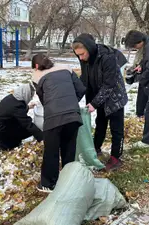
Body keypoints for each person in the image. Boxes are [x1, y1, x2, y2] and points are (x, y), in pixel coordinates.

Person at [72, 33, 128, 171]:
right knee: (100, 123)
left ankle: (116, 157)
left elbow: (109, 84)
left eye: (82, 54)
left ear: (89, 49)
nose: (81, 57)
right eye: (78, 55)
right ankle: (95, 149)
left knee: (116, 128)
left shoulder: (107, 57)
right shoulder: (85, 59)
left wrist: (94, 103)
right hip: (100, 96)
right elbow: (85, 79)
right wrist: (75, 99)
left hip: (115, 97)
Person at [31, 54, 86, 192]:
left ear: (36, 66)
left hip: (53, 117)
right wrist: (71, 103)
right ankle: (69, 180)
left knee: (51, 150)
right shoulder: (66, 68)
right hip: (73, 116)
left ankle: (48, 184)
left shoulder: (36, 75)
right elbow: (81, 88)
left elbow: (43, 97)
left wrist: (53, 107)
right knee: (69, 148)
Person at [0, 83, 43, 150]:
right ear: (26, 95)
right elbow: (28, 124)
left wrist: (28, 107)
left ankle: (6, 141)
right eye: (30, 95)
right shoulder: (17, 106)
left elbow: (14, 111)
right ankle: (7, 144)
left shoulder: (12, 98)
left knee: (20, 125)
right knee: (27, 131)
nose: (30, 98)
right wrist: (42, 138)